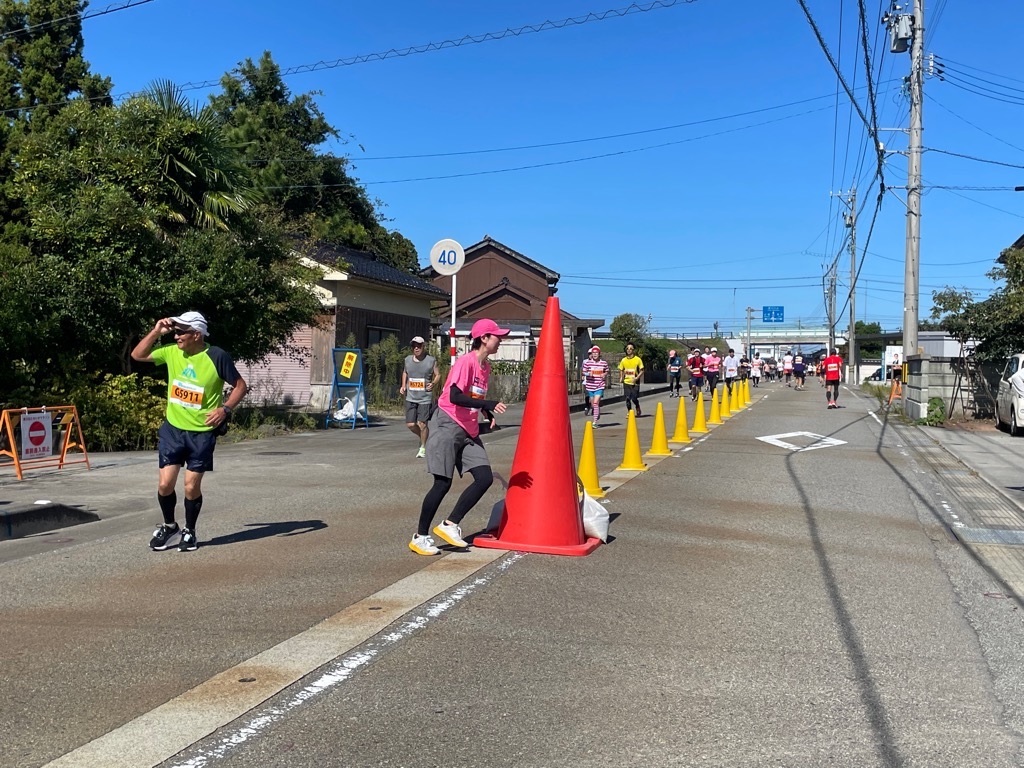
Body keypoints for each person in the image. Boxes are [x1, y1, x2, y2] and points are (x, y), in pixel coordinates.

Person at [131, 311, 248, 553]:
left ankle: (190, 531)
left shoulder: (216, 356)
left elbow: (240, 385)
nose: (176, 336)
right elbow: (137, 355)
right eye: (175, 331)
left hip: (202, 433)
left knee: (190, 487)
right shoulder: (173, 352)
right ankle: (169, 525)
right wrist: (156, 331)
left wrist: (225, 409)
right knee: (165, 485)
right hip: (173, 429)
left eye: (181, 331)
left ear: (196, 334)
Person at [410, 318, 509, 556]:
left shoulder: (486, 368)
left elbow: (471, 396)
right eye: (497, 336)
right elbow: (454, 396)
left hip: (469, 428)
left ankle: (450, 524)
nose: (501, 340)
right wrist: (489, 403)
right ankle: (420, 536)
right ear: (484, 338)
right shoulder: (466, 362)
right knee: (443, 482)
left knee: (484, 477)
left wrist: (485, 411)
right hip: (447, 423)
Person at [400, 336, 440, 458]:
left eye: (418, 346)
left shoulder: (431, 360)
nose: (416, 348)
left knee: (422, 423)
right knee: (411, 424)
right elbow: (405, 372)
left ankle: (423, 447)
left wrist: (432, 383)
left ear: (423, 346)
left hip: (425, 398)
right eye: (414, 346)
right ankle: (424, 437)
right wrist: (403, 386)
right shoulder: (407, 360)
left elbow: (438, 375)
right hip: (411, 397)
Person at [581, 345, 609, 425]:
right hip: (590, 386)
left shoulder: (603, 363)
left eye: (596, 353)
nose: (594, 354)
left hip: (599, 385)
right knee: (593, 405)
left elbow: (607, 370)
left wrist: (604, 374)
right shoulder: (588, 363)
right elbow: (583, 372)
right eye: (593, 353)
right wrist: (588, 373)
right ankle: (597, 412)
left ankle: (595, 422)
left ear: (599, 354)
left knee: (596, 402)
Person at [618, 342, 645, 416]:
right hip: (626, 382)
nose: (629, 350)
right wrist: (621, 377)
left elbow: (642, 370)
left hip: (635, 382)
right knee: (627, 398)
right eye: (627, 348)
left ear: (633, 350)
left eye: (630, 348)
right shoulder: (623, 360)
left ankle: (637, 406)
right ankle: (629, 411)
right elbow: (621, 369)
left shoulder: (638, 359)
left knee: (634, 398)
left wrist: (636, 378)